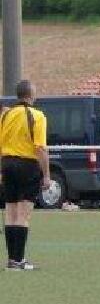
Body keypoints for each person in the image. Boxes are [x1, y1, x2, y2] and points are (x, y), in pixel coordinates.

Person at [0, 80, 51, 271]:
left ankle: (12, 260)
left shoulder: (5, 115)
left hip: (7, 163)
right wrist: (46, 175)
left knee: (10, 212)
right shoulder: (37, 115)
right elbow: (40, 148)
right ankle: (19, 260)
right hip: (27, 165)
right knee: (23, 213)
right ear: (31, 95)